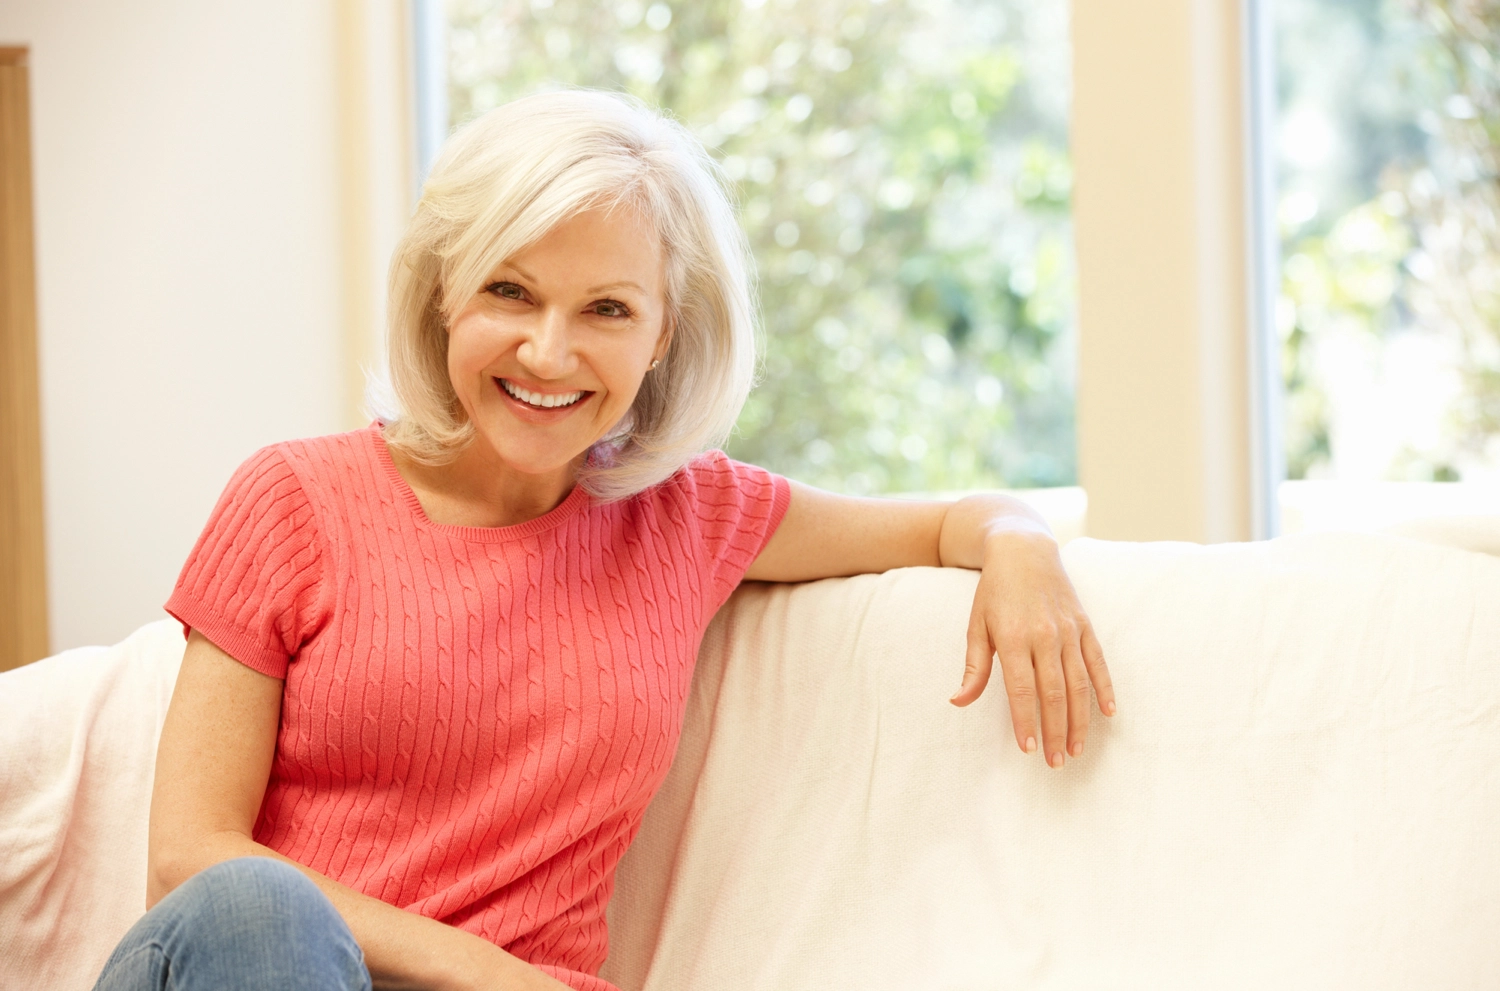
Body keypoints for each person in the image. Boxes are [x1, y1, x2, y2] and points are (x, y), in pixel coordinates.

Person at [93, 89, 1115, 991]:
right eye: (509, 290)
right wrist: (476, 967)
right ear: (444, 290)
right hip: (258, 969)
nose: (549, 349)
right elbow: (192, 861)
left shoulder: (690, 517)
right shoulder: (293, 499)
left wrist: (1021, 546)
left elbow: (950, 520)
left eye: (607, 309)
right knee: (258, 910)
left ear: (661, 335)